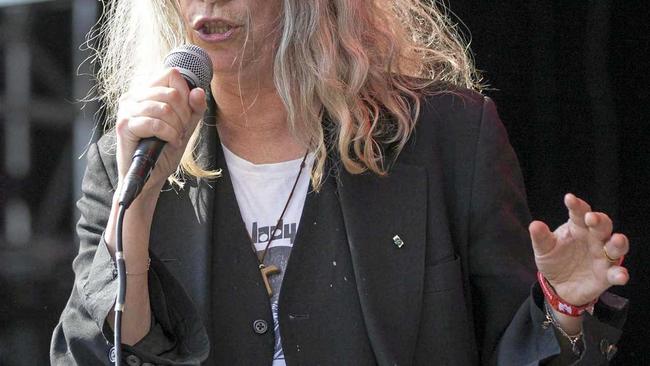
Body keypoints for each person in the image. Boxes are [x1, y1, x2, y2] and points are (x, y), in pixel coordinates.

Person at [51, 0, 629, 365]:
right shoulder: (127, 161)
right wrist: (137, 212)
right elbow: (91, 354)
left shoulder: (447, 137)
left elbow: (511, 346)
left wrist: (563, 306)